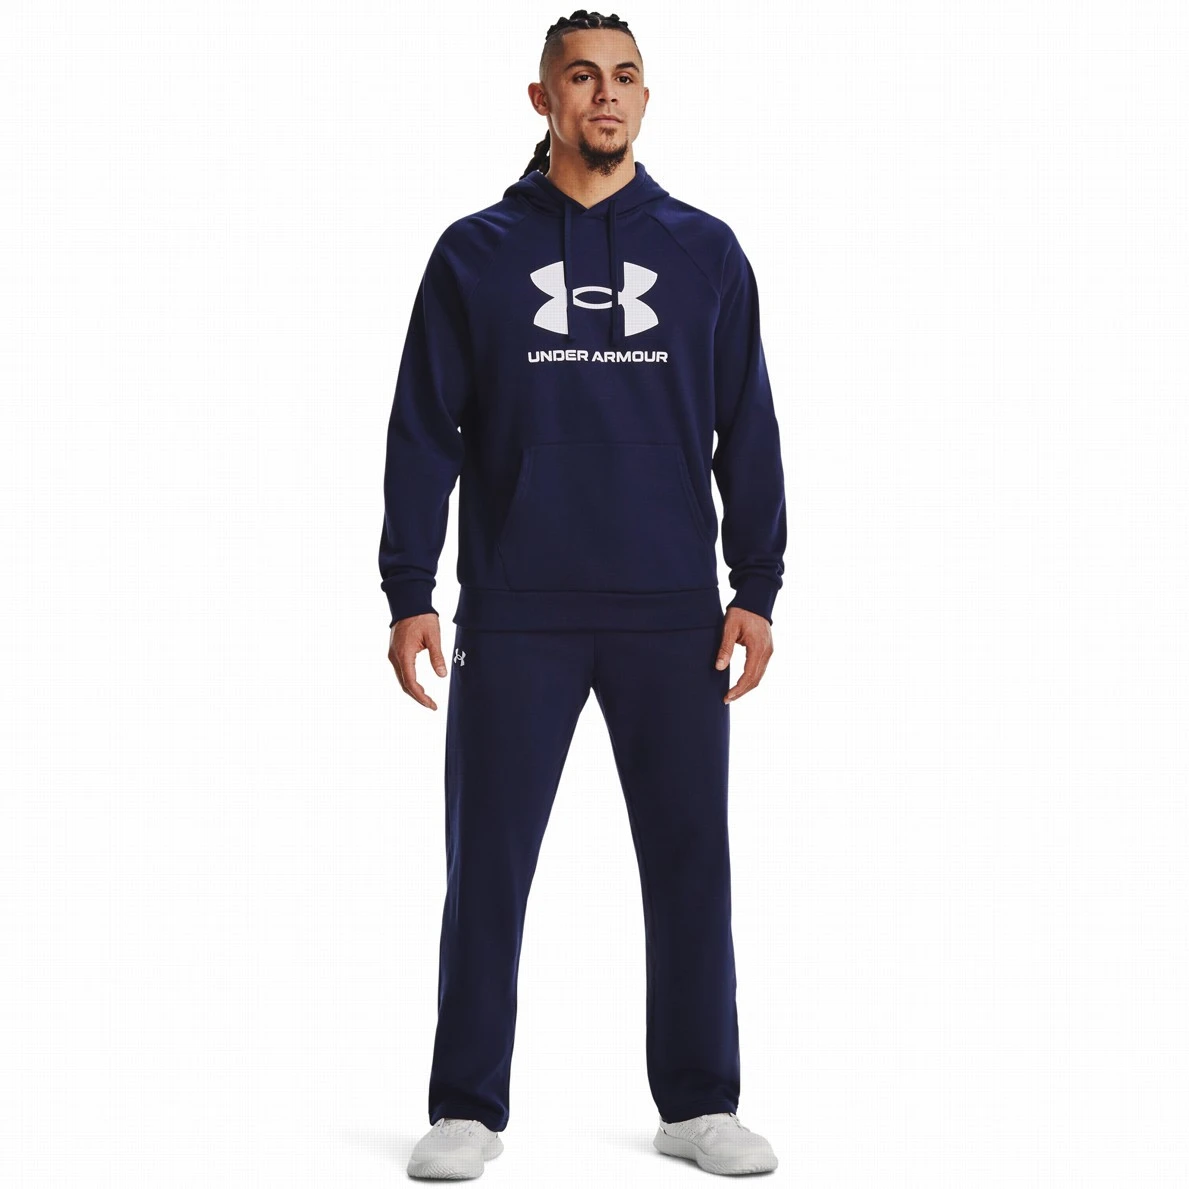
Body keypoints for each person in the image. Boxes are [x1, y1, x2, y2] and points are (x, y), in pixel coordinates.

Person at [382, 10, 784, 1179]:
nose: (604, 94)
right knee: (488, 866)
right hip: (519, 608)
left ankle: (698, 1102)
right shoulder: (474, 254)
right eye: (580, 77)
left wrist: (756, 584)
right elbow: (423, 429)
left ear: (645, 100)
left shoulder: (706, 252)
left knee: (690, 863)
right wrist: (409, 586)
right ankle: (466, 1105)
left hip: (673, 610)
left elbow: (748, 425)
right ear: (543, 99)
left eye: (624, 77)